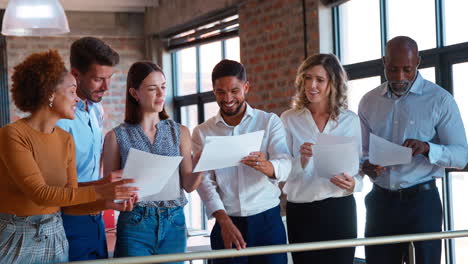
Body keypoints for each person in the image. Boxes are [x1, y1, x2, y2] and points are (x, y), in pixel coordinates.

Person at [0, 50, 137, 264]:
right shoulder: (12, 134)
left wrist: (108, 203)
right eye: (72, 91)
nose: (77, 99)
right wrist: (102, 190)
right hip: (18, 239)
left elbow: (70, 202)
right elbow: (40, 194)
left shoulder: (65, 139)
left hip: (57, 235)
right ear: (50, 94)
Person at [359, 36, 468, 264]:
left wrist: (429, 148)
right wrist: (366, 164)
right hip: (380, 202)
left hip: (422, 202)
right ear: (383, 62)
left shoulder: (440, 100)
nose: (400, 77)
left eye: (407, 69)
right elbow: (362, 151)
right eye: (393, 69)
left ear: (418, 61)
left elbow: (461, 155)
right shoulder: (368, 102)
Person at [193, 59, 291, 264]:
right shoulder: (203, 132)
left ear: (246, 87)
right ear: (214, 91)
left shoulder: (269, 121)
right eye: (220, 92)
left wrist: (268, 166)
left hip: (267, 221)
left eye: (234, 90)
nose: (228, 98)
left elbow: (286, 163)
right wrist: (223, 221)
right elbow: (205, 182)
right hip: (226, 221)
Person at [102, 61, 202, 262]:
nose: (161, 94)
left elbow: (189, 185)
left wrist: (203, 164)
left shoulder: (180, 132)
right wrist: (121, 198)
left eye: (163, 87)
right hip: (135, 222)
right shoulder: (115, 137)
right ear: (135, 93)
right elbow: (108, 192)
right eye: (152, 88)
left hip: (174, 222)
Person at [280, 53, 362, 264]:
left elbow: (358, 169)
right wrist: (302, 159)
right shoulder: (289, 119)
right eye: (307, 78)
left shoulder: (350, 121)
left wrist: (354, 184)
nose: (312, 85)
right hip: (302, 211)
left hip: (340, 209)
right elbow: (282, 170)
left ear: (333, 83)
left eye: (319, 80)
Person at [56, 37, 121, 261]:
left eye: (109, 78)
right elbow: (55, 188)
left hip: (97, 217)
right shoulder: (60, 121)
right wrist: (104, 187)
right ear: (76, 75)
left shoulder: (96, 110)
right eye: (98, 79)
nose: (106, 87)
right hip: (68, 219)